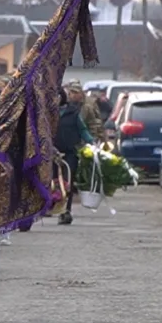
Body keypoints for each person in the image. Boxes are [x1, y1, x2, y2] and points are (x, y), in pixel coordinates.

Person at [55, 82, 95, 226]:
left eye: (58, 96)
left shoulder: (73, 113)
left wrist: (91, 142)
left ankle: (66, 211)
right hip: (52, 152)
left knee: (67, 182)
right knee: (53, 182)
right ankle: (53, 207)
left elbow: (82, 129)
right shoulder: (47, 113)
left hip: (70, 152)